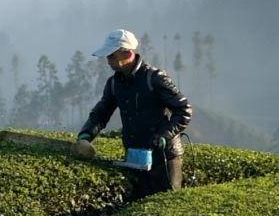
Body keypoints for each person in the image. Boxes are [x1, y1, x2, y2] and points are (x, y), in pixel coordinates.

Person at [77, 30, 193, 197]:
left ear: (128, 53)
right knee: (140, 209)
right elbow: (101, 113)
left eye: (111, 55)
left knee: (166, 206)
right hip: (135, 156)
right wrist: (85, 135)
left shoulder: (154, 78)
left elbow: (184, 109)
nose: (108, 60)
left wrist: (165, 135)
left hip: (164, 158)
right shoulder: (114, 83)